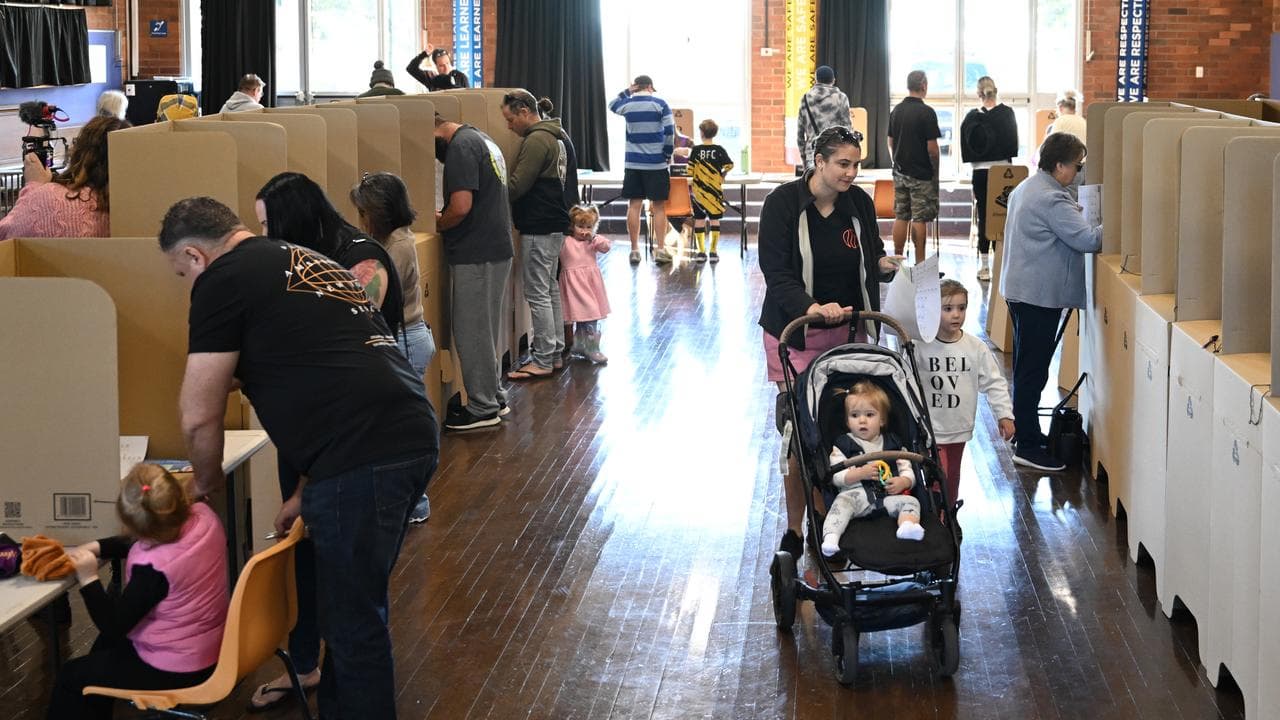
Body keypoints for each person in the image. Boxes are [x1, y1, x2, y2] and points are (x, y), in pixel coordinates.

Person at [160, 196, 438, 720]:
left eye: (181, 274)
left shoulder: (223, 280)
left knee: (354, 622)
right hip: (407, 433)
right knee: (353, 609)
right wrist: (307, 489)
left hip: (365, 453)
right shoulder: (307, 259)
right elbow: (333, 372)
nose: (187, 286)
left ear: (196, 257)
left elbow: (199, 414)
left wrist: (203, 485)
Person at [249, 171, 408, 709]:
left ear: (291, 219)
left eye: (268, 224)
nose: (262, 237)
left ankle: (334, 671)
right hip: (318, 427)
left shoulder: (359, 262)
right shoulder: (302, 257)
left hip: (352, 435)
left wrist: (305, 485)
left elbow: (353, 371)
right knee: (309, 556)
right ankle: (309, 665)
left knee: (344, 575)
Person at [757, 126, 901, 562]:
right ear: (818, 161)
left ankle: (834, 522)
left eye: (856, 164)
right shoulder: (782, 204)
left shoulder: (857, 202)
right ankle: (797, 528)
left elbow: (870, 253)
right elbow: (776, 272)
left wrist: (885, 265)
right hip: (796, 332)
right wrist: (813, 306)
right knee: (802, 435)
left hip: (849, 332)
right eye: (843, 164)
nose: (852, 173)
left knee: (846, 430)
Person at [48, 464, 226, 720]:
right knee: (101, 651)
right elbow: (152, 534)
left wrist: (89, 578)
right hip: (209, 645)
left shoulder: (153, 570)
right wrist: (98, 547)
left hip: (174, 667)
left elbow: (113, 624)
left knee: (71, 677)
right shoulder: (204, 517)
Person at [1000, 132, 1101, 472]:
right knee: (1032, 371)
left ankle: (1027, 432)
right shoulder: (1051, 199)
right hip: (1037, 296)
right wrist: (1117, 221)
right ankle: (1028, 445)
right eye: (1077, 165)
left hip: (1021, 291)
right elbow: (1087, 239)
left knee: (1029, 367)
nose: (1079, 172)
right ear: (1060, 166)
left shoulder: (1031, 187)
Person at [351, 171, 435, 526]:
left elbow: (370, 299)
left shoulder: (395, 249)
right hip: (410, 337)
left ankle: (414, 504)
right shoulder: (397, 240)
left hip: (405, 339)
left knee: (399, 431)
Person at [434, 113, 513, 430]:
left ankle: (482, 407)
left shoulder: (461, 147)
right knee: (485, 329)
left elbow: (462, 206)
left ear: (436, 130)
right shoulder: (482, 138)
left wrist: (439, 222)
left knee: (471, 330)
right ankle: (494, 396)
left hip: (476, 251)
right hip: (494, 247)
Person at [913, 279, 1014, 505]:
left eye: (961, 308)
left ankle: (949, 513)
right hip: (931, 427)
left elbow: (994, 382)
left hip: (959, 425)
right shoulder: (919, 346)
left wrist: (1004, 414)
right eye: (947, 309)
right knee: (939, 474)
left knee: (953, 476)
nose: (956, 315)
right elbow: (907, 381)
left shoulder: (975, 347)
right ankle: (939, 519)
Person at [502, 90, 572, 380]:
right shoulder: (555, 135)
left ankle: (542, 358)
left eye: (509, 119)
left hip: (539, 224)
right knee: (549, 289)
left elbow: (517, 186)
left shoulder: (536, 139)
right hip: (553, 222)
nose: (508, 126)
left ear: (523, 112)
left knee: (537, 292)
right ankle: (553, 353)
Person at [821, 382, 924, 556]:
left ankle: (907, 526)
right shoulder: (842, 445)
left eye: (869, 414)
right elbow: (836, 477)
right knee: (839, 506)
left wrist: (904, 481)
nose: (862, 420)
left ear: (882, 420)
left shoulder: (894, 443)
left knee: (912, 502)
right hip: (855, 497)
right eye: (855, 415)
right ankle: (831, 538)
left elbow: (907, 469)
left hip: (887, 497)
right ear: (847, 421)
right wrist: (860, 473)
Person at [0, 114, 129, 240]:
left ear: (79, 152)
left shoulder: (48, 197)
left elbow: (5, 234)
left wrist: (33, 186)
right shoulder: (134, 209)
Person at [608, 74, 674, 265]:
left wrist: (627, 91)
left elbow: (612, 104)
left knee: (634, 205)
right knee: (659, 207)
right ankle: (660, 249)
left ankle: (635, 250)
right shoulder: (661, 104)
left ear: (636, 87)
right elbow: (670, 131)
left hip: (633, 164)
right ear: (651, 87)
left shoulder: (627, 104)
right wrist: (667, 153)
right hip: (657, 164)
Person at [959, 76, 1019, 282]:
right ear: (996, 90)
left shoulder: (971, 118)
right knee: (1003, 215)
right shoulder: (1007, 114)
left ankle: (984, 266)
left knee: (984, 216)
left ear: (978, 94)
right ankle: (1002, 263)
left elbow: (966, 148)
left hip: (981, 173)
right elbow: (1013, 145)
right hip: (1004, 171)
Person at [887, 70, 941, 264]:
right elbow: (932, 149)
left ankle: (898, 261)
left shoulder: (897, 110)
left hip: (900, 171)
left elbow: (890, 141)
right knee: (919, 218)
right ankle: (920, 264)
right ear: (924, 85)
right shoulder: (926, 112)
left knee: (901, 215)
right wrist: (935, 173)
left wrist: (896, 161)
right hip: (921, 175)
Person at [559, 204, 611, 364]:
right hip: (573, 286)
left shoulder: (592, 242)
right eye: (580, 226)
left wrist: (594, 236)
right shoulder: (566, 241)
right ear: (572, 225)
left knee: (590, 315)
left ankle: (588, 346)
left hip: (589, 286)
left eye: (589, 227)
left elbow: (606, 246)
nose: (584, 231)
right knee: (582, 315)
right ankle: (584, 346)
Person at [687, 118, 734, 263]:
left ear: (701, 133)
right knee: (715, 220)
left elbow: (690, 170)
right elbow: (729, 165)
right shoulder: (719, 150)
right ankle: (713, 252)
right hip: (714, 192)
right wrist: (722, 175)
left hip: (699, 193)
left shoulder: (696, 150)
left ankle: (701, 252)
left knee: (699, 220)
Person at [796, 65, 851, 170]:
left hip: (812, 155)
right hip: (835, 154)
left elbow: (800, 135)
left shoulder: (805, 99)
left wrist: (805, 159)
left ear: (816, 79)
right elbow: (847, 130)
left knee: (812, 186)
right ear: (833, 80)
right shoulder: (841, 98)